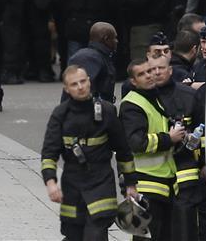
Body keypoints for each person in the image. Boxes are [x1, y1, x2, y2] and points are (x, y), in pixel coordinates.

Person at [42, 65, 138, 241]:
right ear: (66, 89)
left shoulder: (106, 111)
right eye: (74, 84)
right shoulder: (60, 115)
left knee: (95, 234)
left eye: (83, 81)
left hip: (101, 183)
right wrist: (51, 183)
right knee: (73, 236)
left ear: (89, 82)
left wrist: (130, 185)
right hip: (72, 186)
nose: (80, 87)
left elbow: (123, 151)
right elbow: (49, 153)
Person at [120, 58, 184, 241]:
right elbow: (136, 143)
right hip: (145, 183)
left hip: (164, 182)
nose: (149, 75)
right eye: (142, 74)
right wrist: (169, 138)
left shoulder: (155, 97)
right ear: (133, 81)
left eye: (149, 71)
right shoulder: (132, 104)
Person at [155, 55, 206, 241]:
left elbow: (203, 131)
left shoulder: (188, 95)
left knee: (185, 226)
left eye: (161, 68)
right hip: (155, 174)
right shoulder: (143, 97)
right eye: (152, 69)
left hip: (185, 169)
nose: (156, 73)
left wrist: (204, 162)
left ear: (170, 71)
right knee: (158, 228)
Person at [67, 22, 119, 103]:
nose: (116, 41)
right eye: (114, 38)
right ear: (106, 39)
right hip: (90, 108)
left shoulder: (100, 56)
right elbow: (83, 90)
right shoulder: (89, 58)